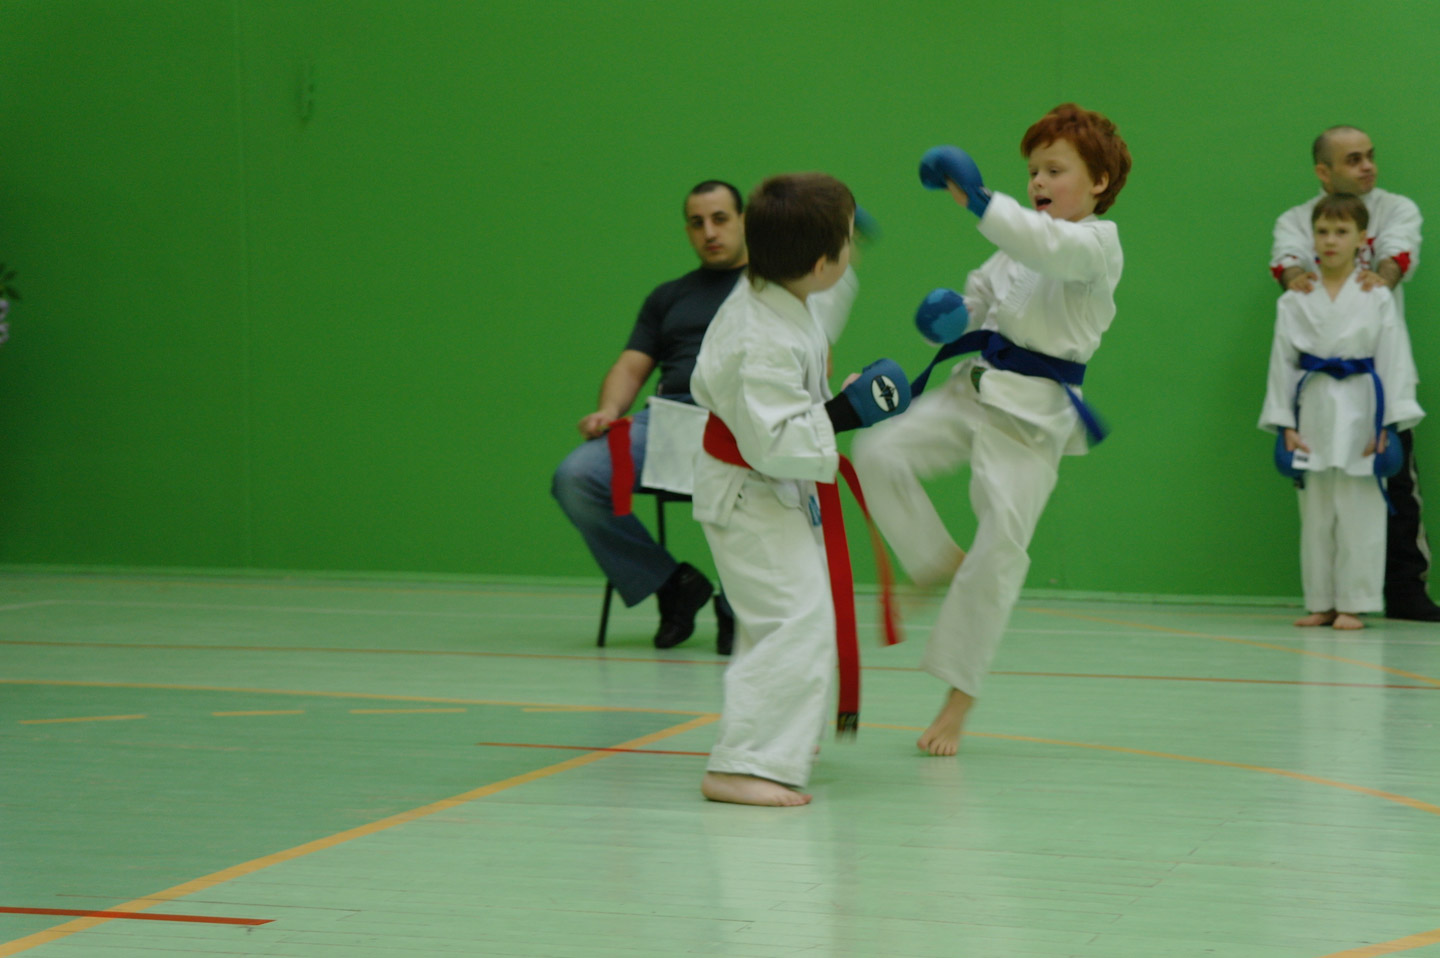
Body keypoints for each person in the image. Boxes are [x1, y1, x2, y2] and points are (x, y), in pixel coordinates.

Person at [852, 103, 1131, 757]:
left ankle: (958, 700)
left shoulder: (1097, 245)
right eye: (1033, 170)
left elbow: (1048, 249)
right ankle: (932, 559)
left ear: (1098, 182)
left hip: (1032, 419)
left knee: (999, 551)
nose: (1038, 181)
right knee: (877, 450)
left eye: (1055, 170)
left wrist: (979, 200)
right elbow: (982, 294)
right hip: (972, 390)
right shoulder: (1016, 243)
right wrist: (952, 314)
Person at [690, 172, 910, 806]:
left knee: (779, 617)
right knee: (797, 617)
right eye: (845, 246)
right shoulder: (760, 338)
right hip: (748, 490)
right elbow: (771, 440)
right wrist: (843, 413)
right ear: (819, 263)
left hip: (773, 489)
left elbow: (826, 298)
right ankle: (742, 765)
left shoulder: (777, 289)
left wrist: (843, 235)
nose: (849, 257)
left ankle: (777, 736)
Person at [552, 181, 744, 653]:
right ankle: (672, 586)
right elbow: (631, 366)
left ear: (743, 222)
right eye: (697, 223)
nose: (709, 232)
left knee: (771, 487)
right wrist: (608, 411)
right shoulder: (668, 297)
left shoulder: (774, 290)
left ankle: (736, 607)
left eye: (720, 219)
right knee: (576, 477)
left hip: (741, 426)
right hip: (669, 423)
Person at [1270, 127, 1440, 621]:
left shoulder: (1396, 209)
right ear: (1324, 172)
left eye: (1369, 156)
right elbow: (1287, 266)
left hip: (1376, 381)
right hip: (1318, 391)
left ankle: (1405, 591)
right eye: (1353, 159)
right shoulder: (1295, 219)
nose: (1367, 166)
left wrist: (1373, 286)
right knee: (1320, 506)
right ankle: (1325, 600)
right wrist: (1304, 282)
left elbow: (1398, 256)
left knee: (1395, 489)